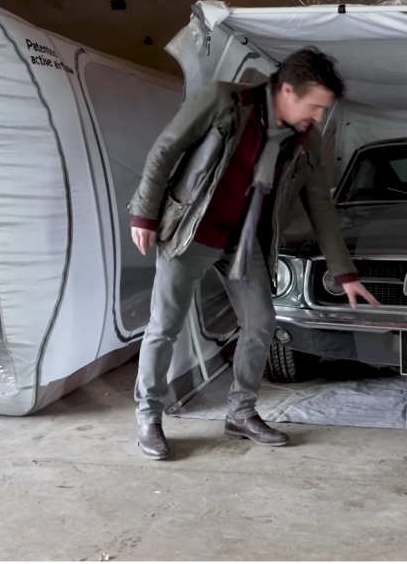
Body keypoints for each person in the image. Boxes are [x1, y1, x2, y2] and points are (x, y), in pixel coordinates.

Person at [128, 47, 379, 460]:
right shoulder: (224, 102)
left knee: (261, 323)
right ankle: (149, 418)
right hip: (191, 231)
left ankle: (240, 414)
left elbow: (320, 203)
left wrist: (344, 272)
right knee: (165, 326)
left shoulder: (306, 140)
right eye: (314, 106)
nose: (317, 117)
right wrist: (144, 214)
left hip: (242, 243)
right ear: (286, 91)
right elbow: (165, 150)